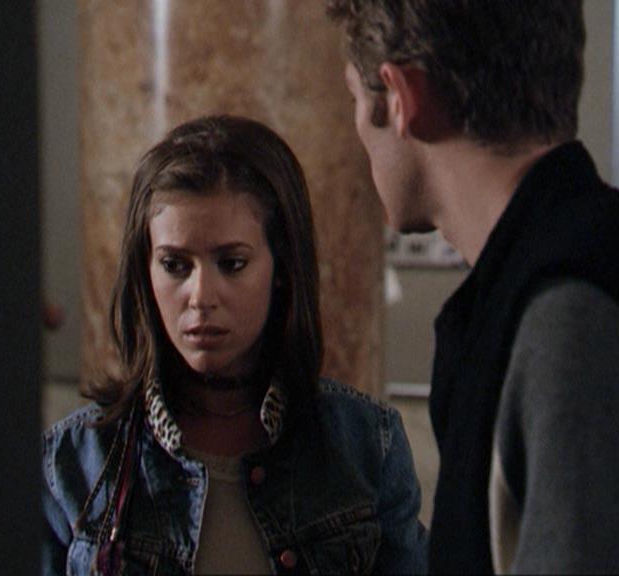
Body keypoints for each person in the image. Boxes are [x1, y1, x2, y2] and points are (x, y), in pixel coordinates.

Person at [42, 115, 427, 575]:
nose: (201, 297)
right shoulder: (77, 461)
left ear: (281, 268)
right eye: (175, 265)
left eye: (232, 263)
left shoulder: (365, 446)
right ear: (145, 270)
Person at [326, 0, 619, 573]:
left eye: (355, 100)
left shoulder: (565, 315)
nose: (356, 130)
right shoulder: (559, 265)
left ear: (402, 99)